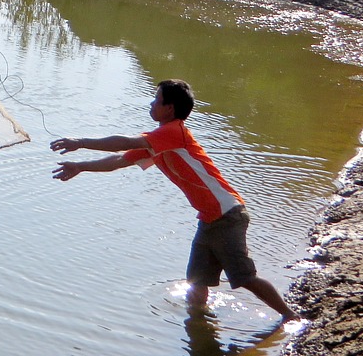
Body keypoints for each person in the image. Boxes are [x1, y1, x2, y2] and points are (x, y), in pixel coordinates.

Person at [50, 78, 299, 322]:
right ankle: (200, 328)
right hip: (209, 218)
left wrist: (80, 142)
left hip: (227, 215)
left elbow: (124, 143)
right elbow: (119, 161)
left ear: (169, 108)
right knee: (197, 283)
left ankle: (290, 317)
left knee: (244, 278)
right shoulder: (158, 142)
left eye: (156, 100)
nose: (151, 104)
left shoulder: (173, 132)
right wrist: (80, 167)